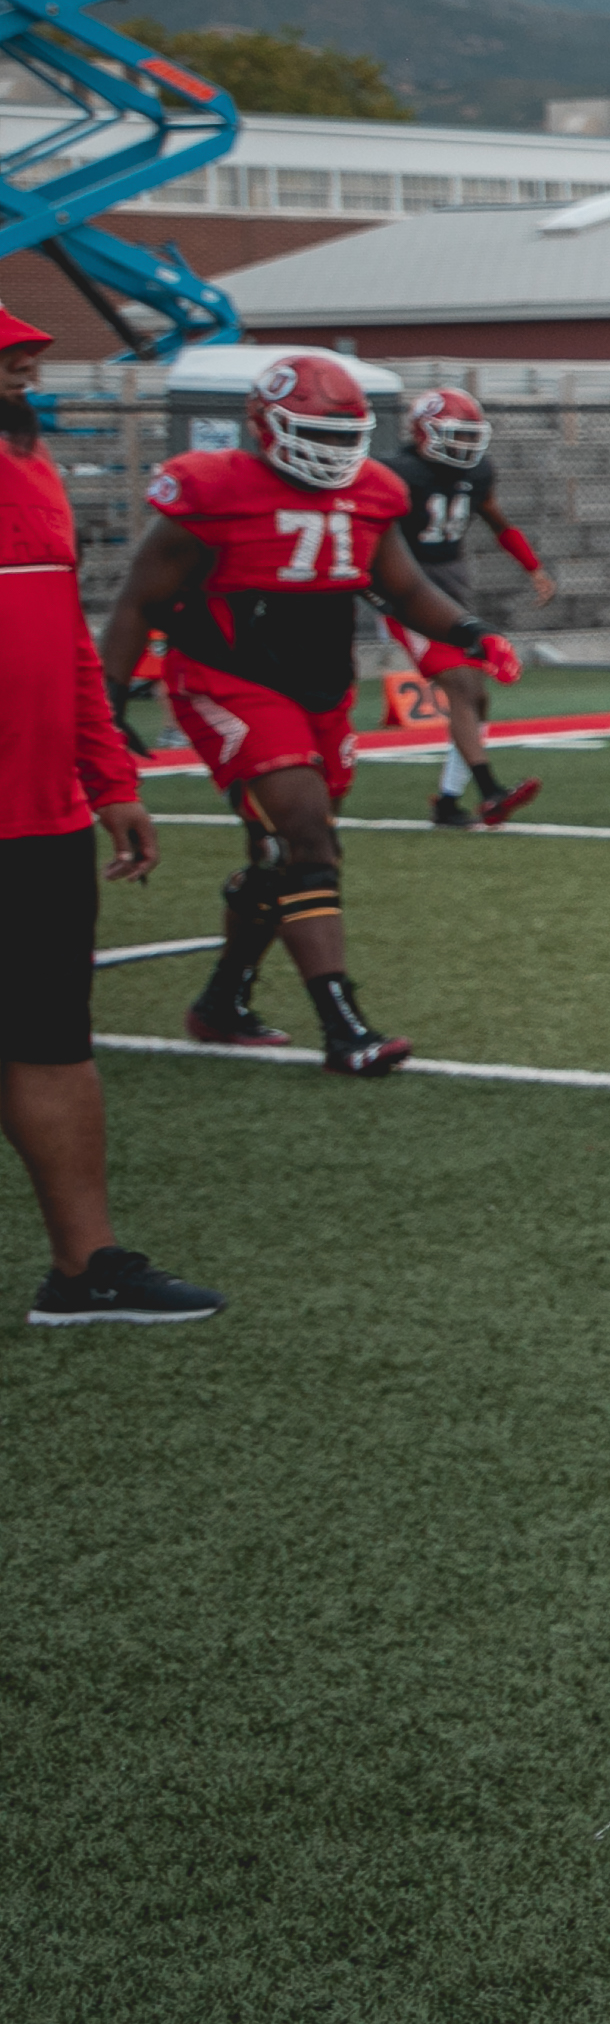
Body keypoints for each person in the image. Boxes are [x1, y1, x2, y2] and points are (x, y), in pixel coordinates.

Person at [104, 352, 516, 1075]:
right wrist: (104, 707)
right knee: (308, 839)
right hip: (226, 679)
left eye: (341, 437)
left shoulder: (374, 491)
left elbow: (406, 586)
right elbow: (137, 601)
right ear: (267, 427)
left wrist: (470, 633)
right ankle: (343, 1025)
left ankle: (223, 1001)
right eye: (315, 436)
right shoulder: (212, 488)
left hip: (321, 690)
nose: (331, 453)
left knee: (282, 856)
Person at [3, 309, 206, 1326]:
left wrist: (108, 775)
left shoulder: (32, 468)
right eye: (6, 349)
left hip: (39, 820)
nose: (29, 355)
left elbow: (70, 645)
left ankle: (86, 1271)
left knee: (50, 1038)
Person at [390, 386, 550, 830]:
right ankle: (490, 791)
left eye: (467, 436)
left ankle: (447, 800)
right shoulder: (398, 473)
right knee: (461, 685)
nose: (462, 446)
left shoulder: (476, 473)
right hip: (408, 592)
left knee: (476, 695)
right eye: (452, 435)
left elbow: (497, 520)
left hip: (452, 590)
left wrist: (533, 567)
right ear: (424, 432)